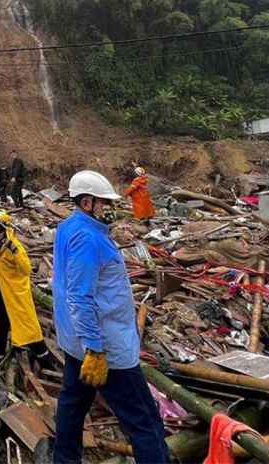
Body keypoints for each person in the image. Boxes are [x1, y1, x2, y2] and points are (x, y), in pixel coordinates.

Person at [52, 170, 168, 464]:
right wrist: (95, 348)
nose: (108, 208)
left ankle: (64, 460)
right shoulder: (88, 239)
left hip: (76, 342)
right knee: (145, 421)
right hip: (104, 348)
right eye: (103, 203)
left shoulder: (68, 228)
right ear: (87, 202)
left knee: (72, 405)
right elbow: (80, 296)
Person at [0, 209, 51, 370]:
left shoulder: (15, 245)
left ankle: (45, 363)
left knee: (28, 328)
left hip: (16, 295)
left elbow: (26, 269)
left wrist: (14, 252)